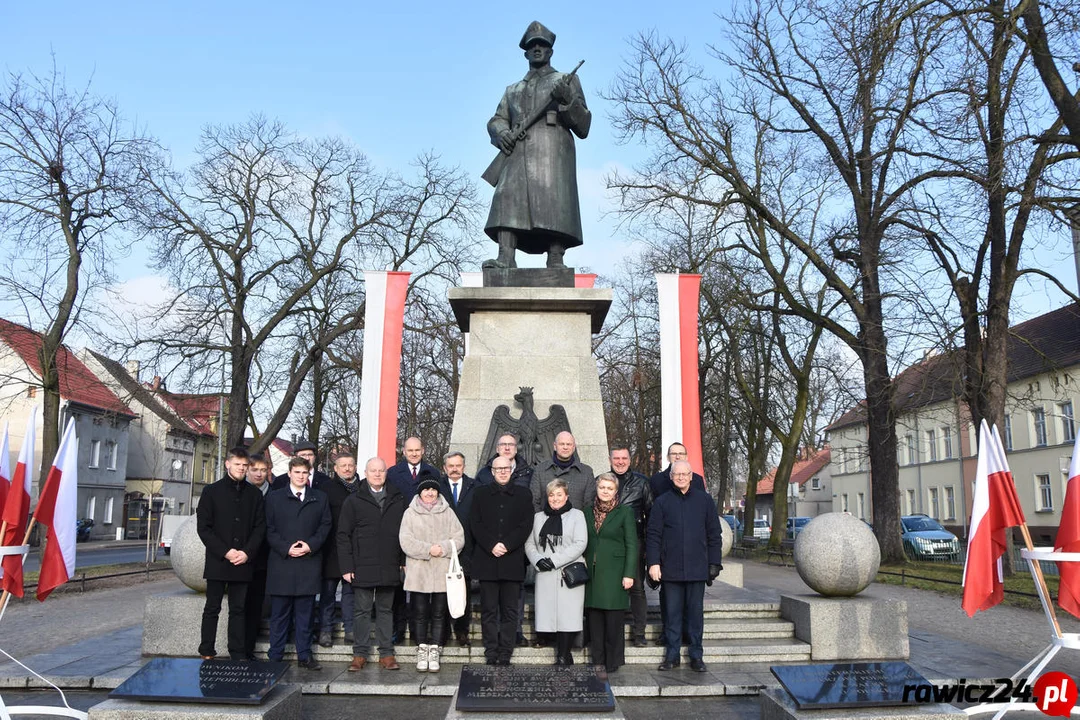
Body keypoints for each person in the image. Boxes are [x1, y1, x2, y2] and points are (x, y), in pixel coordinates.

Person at [483, 21, 591, 270]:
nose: (537, 49)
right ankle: (505, 257)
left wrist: (567, 101)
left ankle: (555, 258)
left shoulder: (566, 80)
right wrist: (501, 133)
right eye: (532, 46)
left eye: (542, 45)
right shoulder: (512, 90)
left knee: (555, 201)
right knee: (506, 197)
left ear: (551, 51)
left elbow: (584, 124)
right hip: (516, 152)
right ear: (526, 53)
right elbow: (497, 119)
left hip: (553, 153)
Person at [646, 460, 723, 673]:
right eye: (676, 474)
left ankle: (696, 655)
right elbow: (653, 535)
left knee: (695, 615)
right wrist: (653, 563)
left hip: (697, 568)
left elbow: (714, 534)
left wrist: (714, 562)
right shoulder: (661, 502)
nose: (680, 477)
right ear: (670, 477)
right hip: (670, 569)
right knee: (672, 615)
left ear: (691, 476)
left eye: (684, 474)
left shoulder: (705, 500)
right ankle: (672, 656)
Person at [337, 457, 406, 671]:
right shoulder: (354, 500)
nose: (377, 474)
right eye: (373, 471)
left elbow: (405, 533)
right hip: (362, 565)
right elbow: (343, 535)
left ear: (386, 473)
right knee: (362, 611)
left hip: (389, 563)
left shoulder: (398, 499)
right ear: (365, 473)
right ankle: (360, 654)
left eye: (381, 470)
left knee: (386, 610)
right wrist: (347, 567)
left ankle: (386, 654)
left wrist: (403, 562)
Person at [196, 447, 265, 661]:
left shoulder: (254, 494)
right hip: (219, 560)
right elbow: (204, 528)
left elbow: (260, 527)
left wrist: (246, 553)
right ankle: (207, 649)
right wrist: (225, 552)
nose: (242, 469)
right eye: (238, 465)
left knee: (239, 609)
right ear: (227, 464)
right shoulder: (211, 491)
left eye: (245, 466)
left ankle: (237, 651)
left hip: (243, 561)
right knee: (212, 607)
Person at [264, 457, 332, 670]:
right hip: (282, 564)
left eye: (305, 473)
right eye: (297, 472)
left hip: (308, 563)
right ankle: (275, 655)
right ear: (290, 473)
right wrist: (286, 548)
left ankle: (305, 655)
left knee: (305, 614)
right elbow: (268, 528)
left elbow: (325, 526)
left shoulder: (319, 498)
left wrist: (310, 545)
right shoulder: (274, 498)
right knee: (279, 615)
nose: (301, 476)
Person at [469, 456, 534, 665]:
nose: (503, 471)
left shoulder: (524, 494)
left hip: (512, 560)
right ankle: (491, 650)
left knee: (509, 611)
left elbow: (526, 524)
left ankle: (506, 651)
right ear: (492, 471)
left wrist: (507, 544)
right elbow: (475, 522)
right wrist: (491, 545)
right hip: (487, 560)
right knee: (488, 610)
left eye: (507, 468)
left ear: (512, 469)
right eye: (499, 468)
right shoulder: (480, 493)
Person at [586, 446, 652, 647]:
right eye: (617, 458)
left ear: (630, 460)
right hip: (608, 542)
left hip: (634, 541)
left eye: (624, 458)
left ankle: (639, 631)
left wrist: (649, 547)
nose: (620, 461)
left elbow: (651, 513)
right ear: (610, 459)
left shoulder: (641, 482)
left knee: (637, 587)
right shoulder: (601, 480)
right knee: (607, 586)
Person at [399, 476, 465, 672]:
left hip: (441, 570)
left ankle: (435, 649)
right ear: (420, 493)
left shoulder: (448, 512)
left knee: (438, 613)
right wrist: (429, 549)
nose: (429, 493)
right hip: (419, 571)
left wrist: (442, 548)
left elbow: (459, 538)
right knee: (419, 613)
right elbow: (406, 541)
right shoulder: (410, 514)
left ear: (438, 492)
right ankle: (422, 648)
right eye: (426, 490)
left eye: (433, 490)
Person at [525, 478, 587, 665]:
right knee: (549, 614)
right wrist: (537, 560)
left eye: (559, 494)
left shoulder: (577, 515)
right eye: (551, 495)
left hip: (568, 572)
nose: (555, 498)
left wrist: (554, 561)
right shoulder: (538, 518)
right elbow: (529, 543)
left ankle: (564, 653)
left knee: (568, 614)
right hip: (545, 573)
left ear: (566, 496)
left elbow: (580, 543)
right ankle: (561, 653)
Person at [386, 436, 439, 643]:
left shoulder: (433, 472)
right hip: (402, 533)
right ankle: (397, 629)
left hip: (427, 537)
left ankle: (422, 631)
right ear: (404, 451)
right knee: (399, 586)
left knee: (425, 589)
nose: (414, 453)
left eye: (417, 450)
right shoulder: (393, 473)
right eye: (410, 450)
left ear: (423, 450)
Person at [584, 473, 637, 673]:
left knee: (613, 620)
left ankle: (612, 660)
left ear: (616, 491)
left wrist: (629, 573)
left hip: (615, 573)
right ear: (597, 489)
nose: (605, 491)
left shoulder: (624, 512)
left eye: (609, 488)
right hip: (593, 573)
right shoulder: (587, 512)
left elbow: (632, 544)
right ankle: (597, 659)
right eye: (602, 487)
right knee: (595, 619)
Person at [317, 453, 361, 648]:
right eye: (342, 465)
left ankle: (350, 628)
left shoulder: (363, 488)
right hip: (331, 549)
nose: (347, 469)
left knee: (351, 592)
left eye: (350, 465)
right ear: (335, 468)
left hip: (355, 549)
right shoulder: (326, 488)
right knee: (328, 593)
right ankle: (325, 630)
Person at [439, 451, 479, 646]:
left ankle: (462, 631)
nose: (454, 469)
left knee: (464, 592)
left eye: (458, 465)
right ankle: (444, 631)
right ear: (445, 467)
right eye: (451, 466)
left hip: (467, 549)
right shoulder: (437, 487)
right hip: (443, 549)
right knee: (442, 591)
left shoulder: (474, 486)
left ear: (464, 466)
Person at [242, 453, 272, 659]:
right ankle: (242, 648)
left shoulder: (275, 493)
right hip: (242, 558)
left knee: (256, 605)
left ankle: (249, 646)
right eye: (255, 470)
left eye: (263, 470)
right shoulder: (240, 492)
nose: (259, 474)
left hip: (267, 557)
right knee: (241, 605)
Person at [531, 431, 594, 512]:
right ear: (555, 446)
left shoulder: (586, 472)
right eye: (562, 444)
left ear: (574, 447)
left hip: (576, 523)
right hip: (547, 522)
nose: (565, 447)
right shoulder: (540, 470)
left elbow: (589, 504)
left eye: (568, 444)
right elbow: (534, 502)